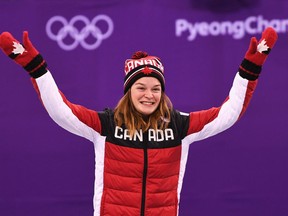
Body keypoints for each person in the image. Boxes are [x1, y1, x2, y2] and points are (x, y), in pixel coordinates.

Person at [0, 27, 278, 216]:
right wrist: (36, 68)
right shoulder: (106, 125)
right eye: (141, 88)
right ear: (128, 91)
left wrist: (250, 69)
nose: (149, 95)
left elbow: (229, 114)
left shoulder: (179, 127)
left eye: (155, 88)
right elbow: (61, 110)